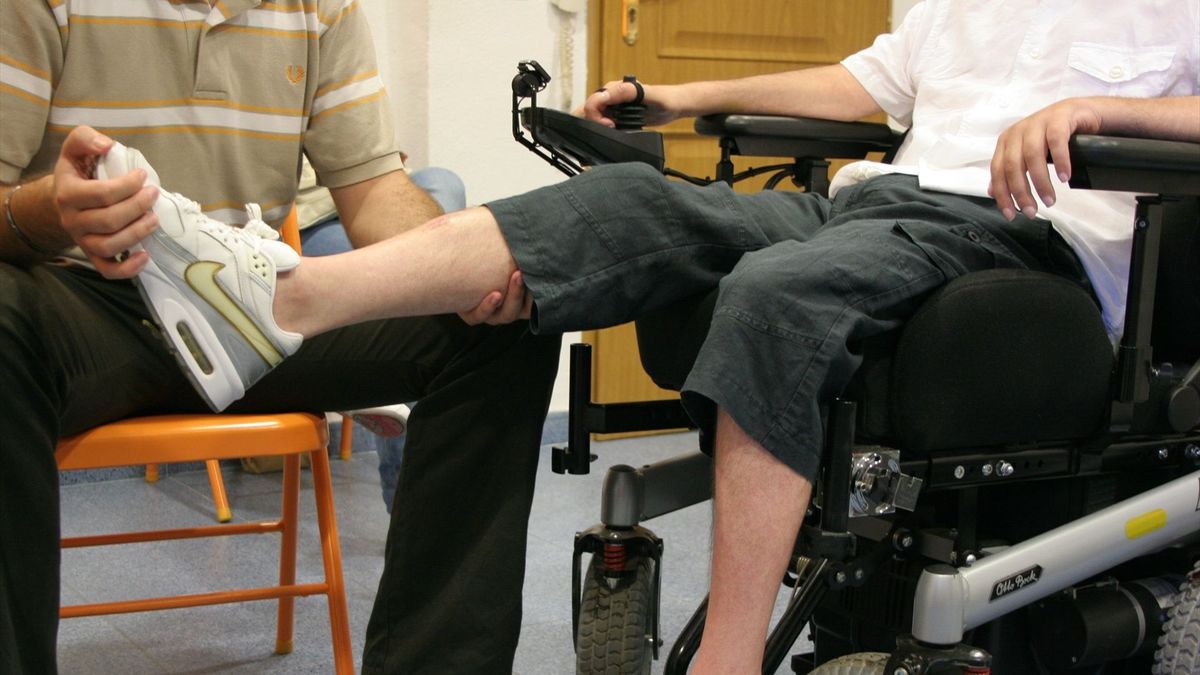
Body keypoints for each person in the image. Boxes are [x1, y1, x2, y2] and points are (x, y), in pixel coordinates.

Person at [57, 1, 1198, 672]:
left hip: (1027, 237)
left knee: (779, 292)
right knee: (625, 204)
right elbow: (867, 79)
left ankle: (729, 656)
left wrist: (1103, 113)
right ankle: (285, 300)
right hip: (875, 197)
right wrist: (683, 101)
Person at [0, 2, 559, 674]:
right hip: (81, 302)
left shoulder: (321, 9)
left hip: (255, 306)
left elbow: (374, 193)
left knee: (502, 318)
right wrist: (51, 209)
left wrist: (461, 261)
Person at [296, 155, 469, 511]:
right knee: (419, 301)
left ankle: (365, 374)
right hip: (307, 217)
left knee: (446, 180)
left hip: (367, 197)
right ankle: (413, 509)